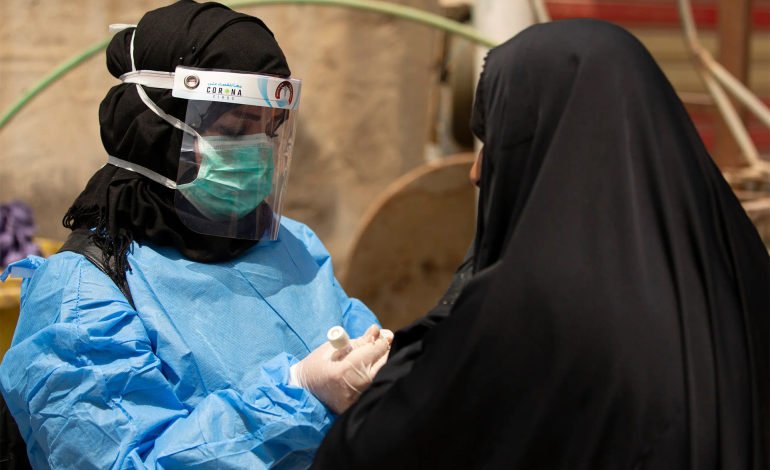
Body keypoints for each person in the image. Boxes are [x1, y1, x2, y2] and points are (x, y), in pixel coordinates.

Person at [312, 19, 770, 469]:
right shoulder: (738, 260)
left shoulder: (535, 308)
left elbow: (368, 450)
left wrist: (441, 323)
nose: (475, 172)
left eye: (495, 139)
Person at [0, 1, 391, 468]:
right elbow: (126, 460)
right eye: (234, 130)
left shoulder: (292, 245)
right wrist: (297, 393)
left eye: (268, 131)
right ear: (155, 132)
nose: (257, 152)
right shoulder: (82, 296)